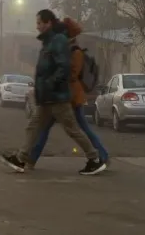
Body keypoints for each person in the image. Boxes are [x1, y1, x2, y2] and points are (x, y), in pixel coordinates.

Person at [1, 9, 106, 176]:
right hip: (47, 98)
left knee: (73, 130)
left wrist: (49, 84)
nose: (37, 27)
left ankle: (95, 159)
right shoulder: (49, 41)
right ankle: (21, 158)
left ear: (48, 23)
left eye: (39, 23)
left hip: (57, 97)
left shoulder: (58, 41)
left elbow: (63, 68)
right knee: (33, 127)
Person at [27, 17, 109, 171]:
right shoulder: (63, 48)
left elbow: (70, 75)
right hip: (58, 96)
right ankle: (30, 158)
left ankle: (101, 156)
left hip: (70, 98)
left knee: (81, 129)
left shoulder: (75, 51)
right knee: (44, 128)